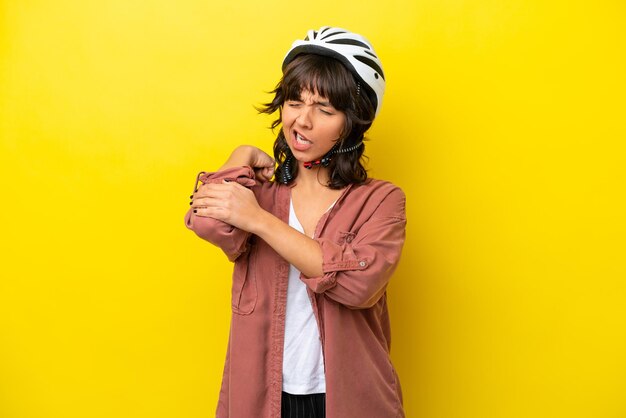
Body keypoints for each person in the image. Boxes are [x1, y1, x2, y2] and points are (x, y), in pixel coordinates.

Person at [186, 26, 406, 418]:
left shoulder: (381, 201)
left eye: (324, 110)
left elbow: (359, 286)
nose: (302, 121)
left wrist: (259, 221)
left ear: (351, 124)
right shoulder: (263, 192)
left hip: (347, 399)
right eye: (294, 102)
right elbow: (204, 220)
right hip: (262, 396)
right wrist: (237, 159)